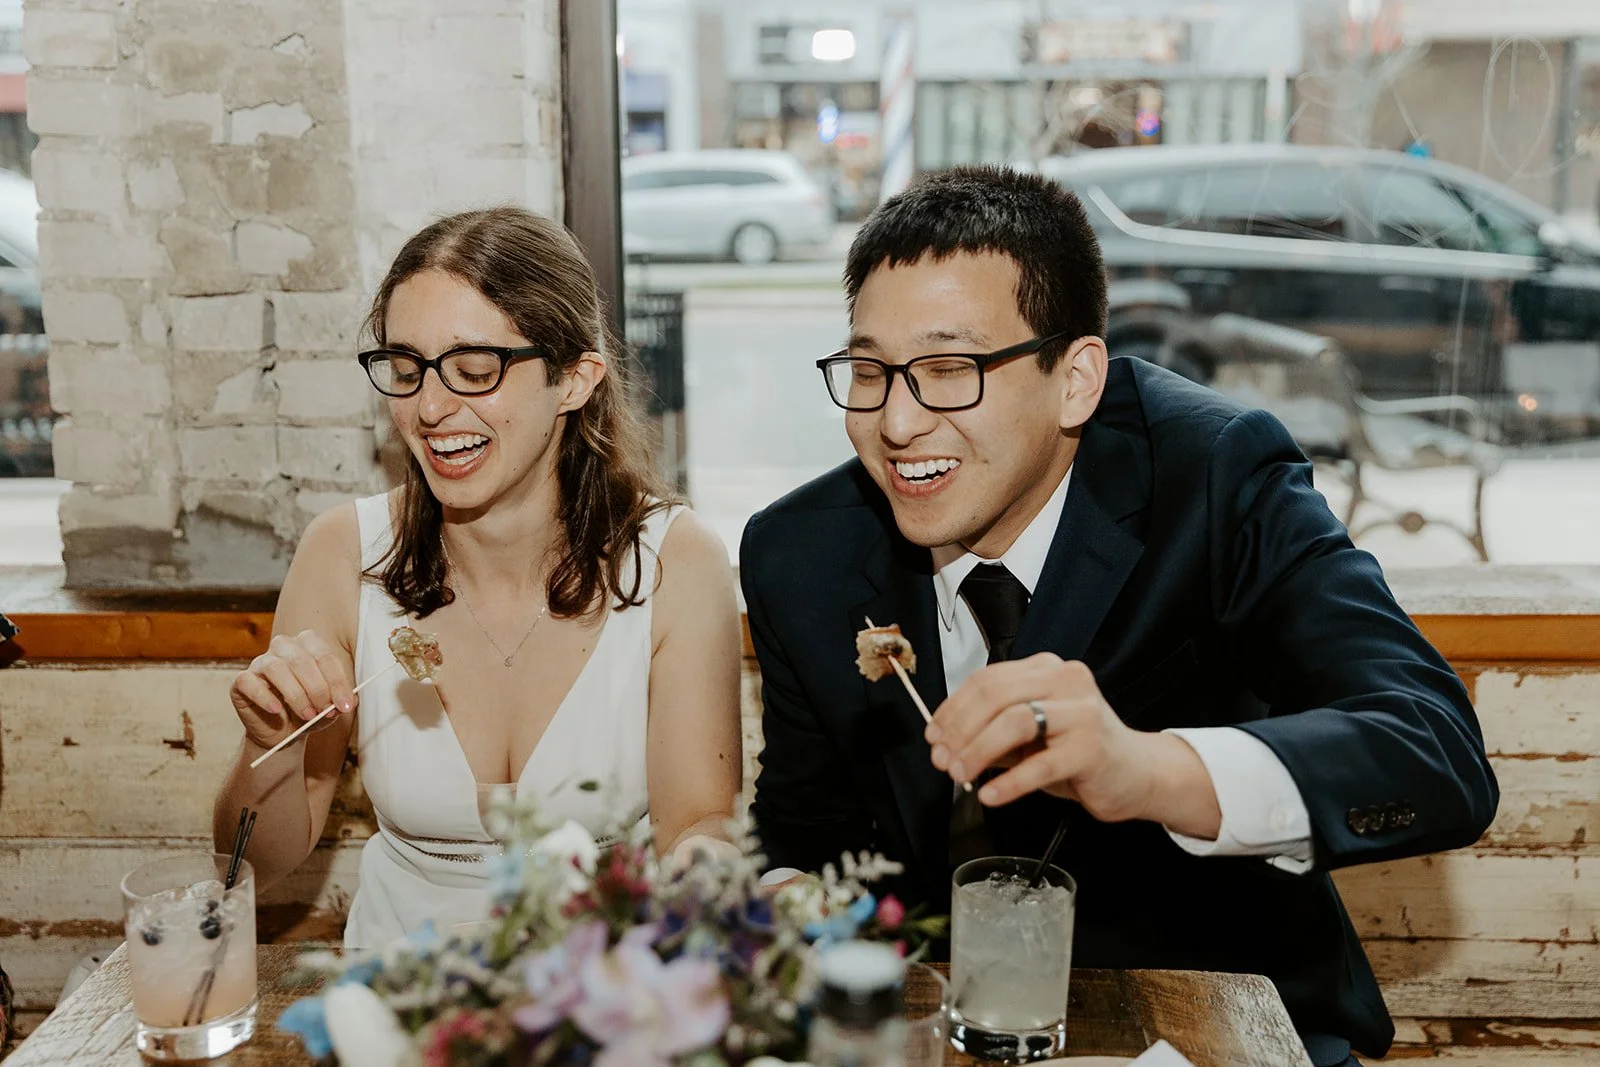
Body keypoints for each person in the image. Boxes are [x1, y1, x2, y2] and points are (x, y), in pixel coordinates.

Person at [742, 167, 1498, 1067]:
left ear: (1077, 379)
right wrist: (793, 909)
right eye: (870, 370)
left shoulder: (1216, 474)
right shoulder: (800, 555)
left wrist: (1144, 767)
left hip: (1219, 1015)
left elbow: (1434, 750)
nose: (897, 422)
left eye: (950, 369)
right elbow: (801, 832)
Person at [214, 206, 743, 949]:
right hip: (395, 1000)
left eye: (474, 369)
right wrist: (269, 744)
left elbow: (697, 823)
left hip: (599, 992)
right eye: (406, 369)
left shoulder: (678, 563)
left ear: (574, 379)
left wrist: (707, 894)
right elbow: (254, 866)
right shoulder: (341, 553)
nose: (430, 408)